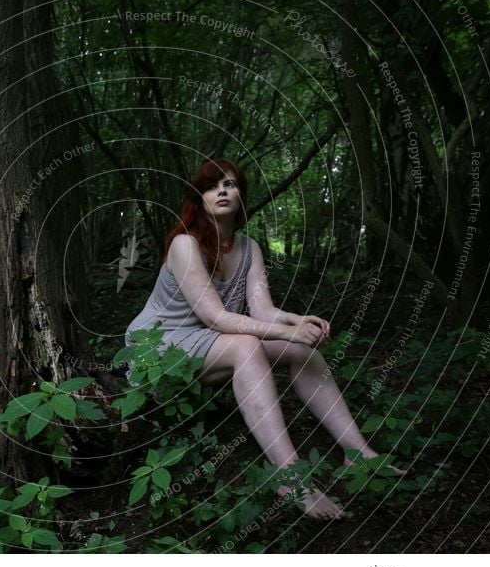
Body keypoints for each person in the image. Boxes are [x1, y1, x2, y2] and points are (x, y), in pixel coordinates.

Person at [124, 158, 403, 521]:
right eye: (212, 185)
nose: (222, 190)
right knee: (245, 344)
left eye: (230, 184)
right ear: (198, 198)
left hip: (207, 341)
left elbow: (262, 310)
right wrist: (287, 330)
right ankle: (291, 479)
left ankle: (358, 452)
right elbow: (216, 317)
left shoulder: (249, 248)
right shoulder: (184, 246)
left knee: (299, 347)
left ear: (241, 196)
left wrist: (296, 321)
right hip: (160, 348)